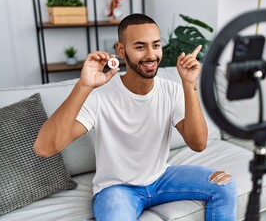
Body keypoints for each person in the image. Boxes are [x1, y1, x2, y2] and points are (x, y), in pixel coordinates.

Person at [34, 13, 237, 220]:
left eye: (156, 45)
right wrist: (84, 86)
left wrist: (189, 84)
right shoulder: (99, 96)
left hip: (161, 178)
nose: (150, 55)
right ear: (121, 50)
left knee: (224, 184)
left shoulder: (172, 90)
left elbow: (198, 143)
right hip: (116, 189)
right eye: (140, 47)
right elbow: (45, 148)